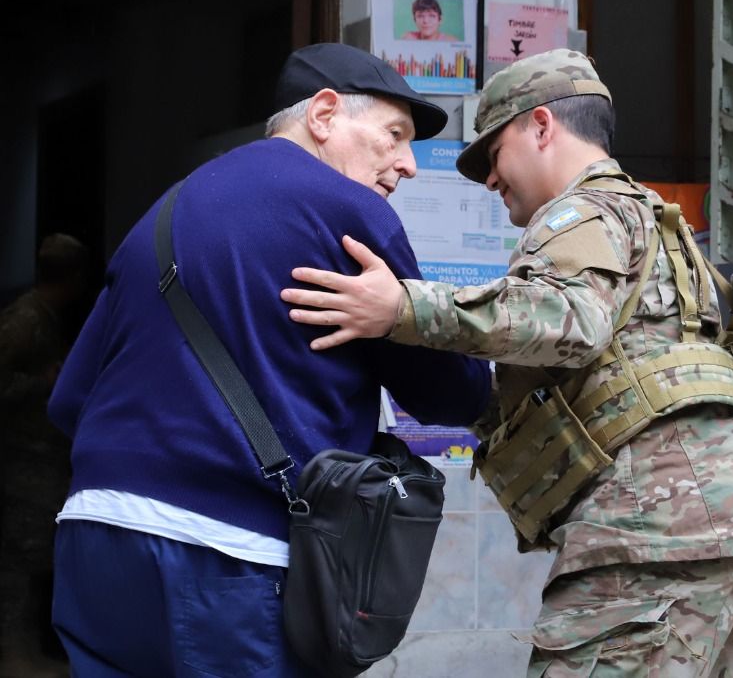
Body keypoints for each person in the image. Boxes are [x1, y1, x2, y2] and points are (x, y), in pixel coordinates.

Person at [280, 48, 733, 675]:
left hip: (657, 534)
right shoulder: (655, 221)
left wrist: (402, 307)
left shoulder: (582, 211)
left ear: (540, 126)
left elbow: (569, 320)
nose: (490, 180)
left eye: (493, 155)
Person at [47, 43, 492, 677]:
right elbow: (452, 392)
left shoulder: (163, 211)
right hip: (230, 558)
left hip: (95, 539)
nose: (407, 166)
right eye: (394, 136)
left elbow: (70, 401)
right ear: (325, 114)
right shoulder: (348, 211)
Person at [0, 233, 89, 671]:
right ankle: (14, 653)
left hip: (40, 459)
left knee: (36, 558)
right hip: (20, 462)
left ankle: (28, 648)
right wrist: (44, 381)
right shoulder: (24, 321)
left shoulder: (44, 318)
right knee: (18, 564)